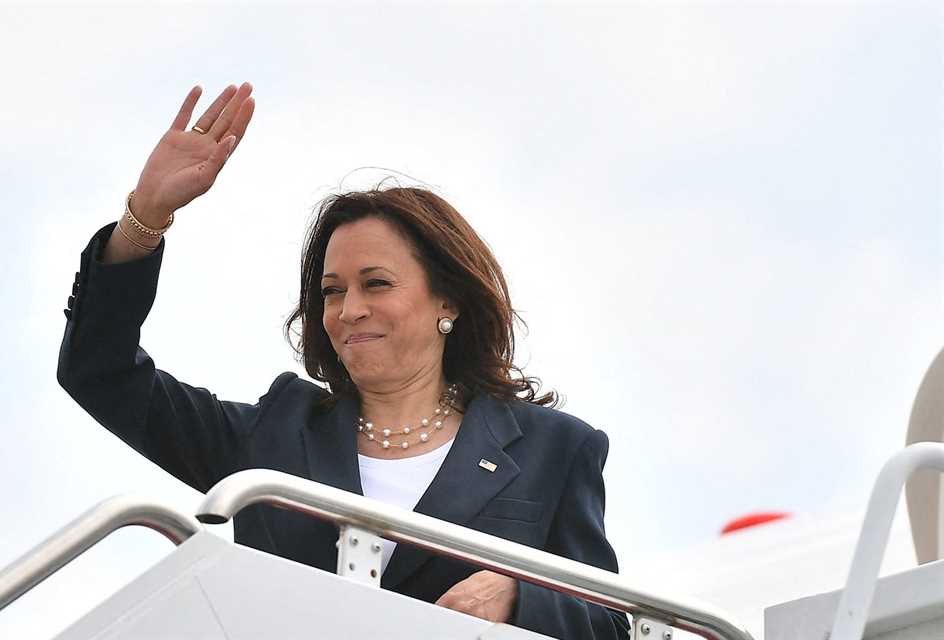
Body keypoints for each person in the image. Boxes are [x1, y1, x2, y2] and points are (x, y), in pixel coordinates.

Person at [57, 81, 630, 639]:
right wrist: (145, 220)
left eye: (376, 284)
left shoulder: (556, 448)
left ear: (448, 300)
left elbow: (610, 622)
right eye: (332, 291)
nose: (349, 310)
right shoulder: (275, 434)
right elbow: (101, 373)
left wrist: (518, 597)